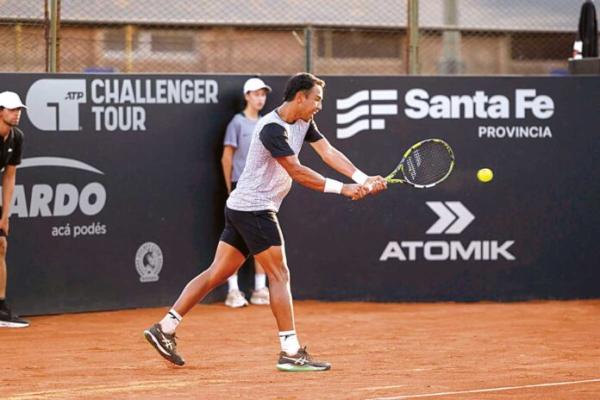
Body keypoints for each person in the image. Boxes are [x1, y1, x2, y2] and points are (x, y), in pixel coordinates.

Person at [144, 73, 387, 371]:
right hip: (255, 210)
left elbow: (327, 151)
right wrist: (343, 189)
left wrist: (362, 178)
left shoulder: (302, 121)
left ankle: (164, 328)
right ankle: (290, 351)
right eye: (317, 99)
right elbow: (297, 172)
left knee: (217, 273)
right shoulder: (272, 129)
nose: (320, 106)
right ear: (300, 97)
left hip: (241, 207)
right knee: (279, 275)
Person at [220, 77, 272, 308]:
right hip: (240, 187)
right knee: (235, 242)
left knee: (262, 239)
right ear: (247, 96)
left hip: (261, 190)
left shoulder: (266, 124)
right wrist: (230, 189)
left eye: (263, 94)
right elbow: (227, 157)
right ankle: (233, 291)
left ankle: (260, 289)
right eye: (256, 94)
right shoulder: (237, 123)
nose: (260, 98)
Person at [0, 91, 28, 328]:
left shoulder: (16, 137)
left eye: (18, 110)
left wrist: (5, 215)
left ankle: (0, 308)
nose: (17, 113)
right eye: (11, 109)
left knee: (1, 245)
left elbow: (9, 176)